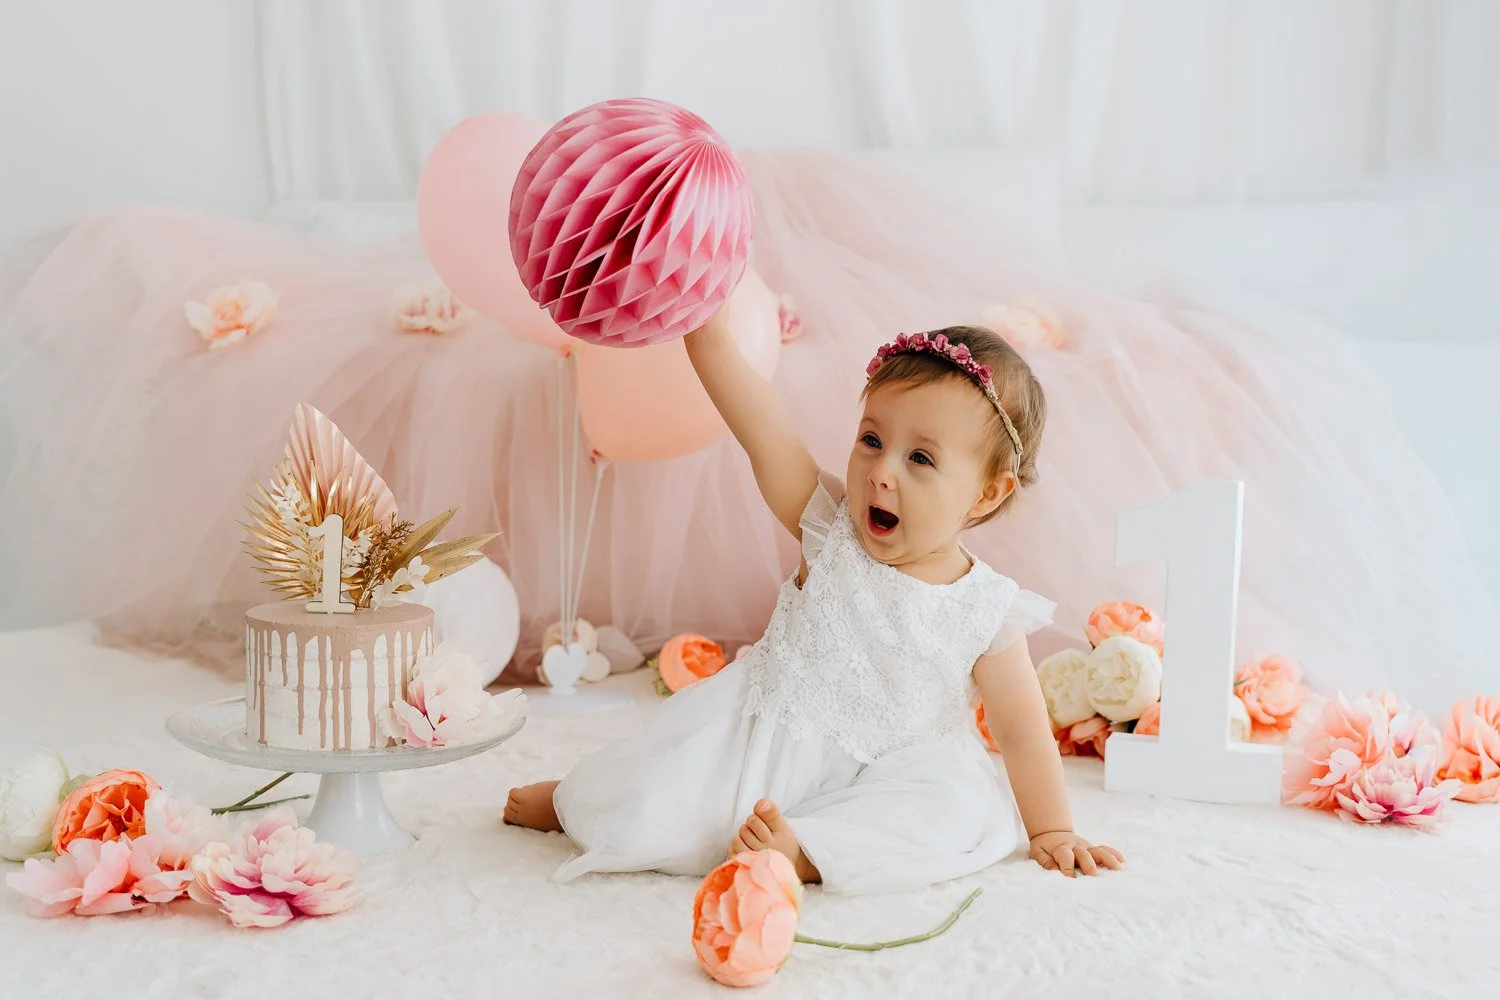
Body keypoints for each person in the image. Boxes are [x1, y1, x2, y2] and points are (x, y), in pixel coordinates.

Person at [504, 320, 1124, 889]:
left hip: (900, 767)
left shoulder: (987, 608)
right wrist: (706, 333)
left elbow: (1021, 733)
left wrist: (1052, 829)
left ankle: (804, 852)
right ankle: (574, 800)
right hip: (772, 743)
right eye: (872, 440)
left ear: (987, 493)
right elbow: (762, 429)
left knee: (953, 815)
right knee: (658, 800)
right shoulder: (828, 529)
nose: (882, 472)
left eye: (920, 459)